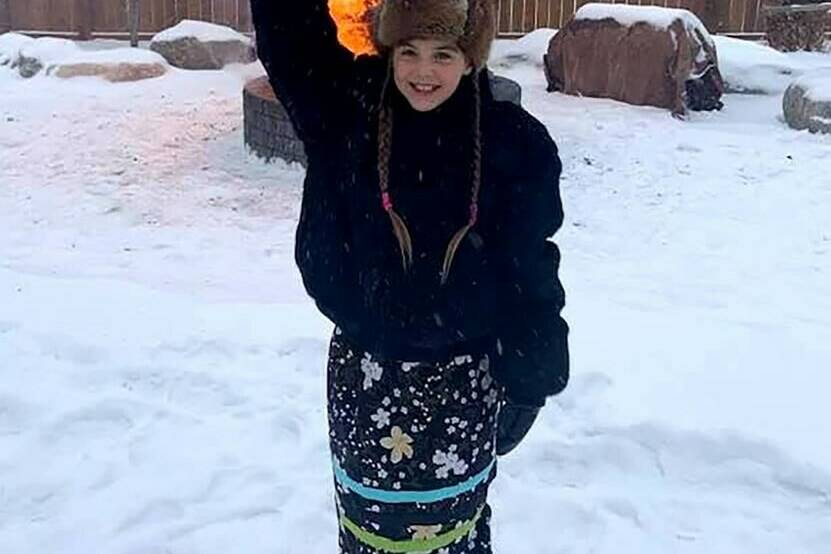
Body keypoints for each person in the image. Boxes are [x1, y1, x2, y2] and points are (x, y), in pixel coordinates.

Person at [251, 0, 569, 551]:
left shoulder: (513, 143)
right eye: (409, 52)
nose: (424, 72)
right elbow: (290, 36)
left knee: (451, 536)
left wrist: (530, 380)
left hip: (464, 382)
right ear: (389, 51)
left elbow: (530, 269)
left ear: (470, 59)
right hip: (366, 378)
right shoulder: (347, 112)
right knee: (374, 536)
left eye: (443, 54)